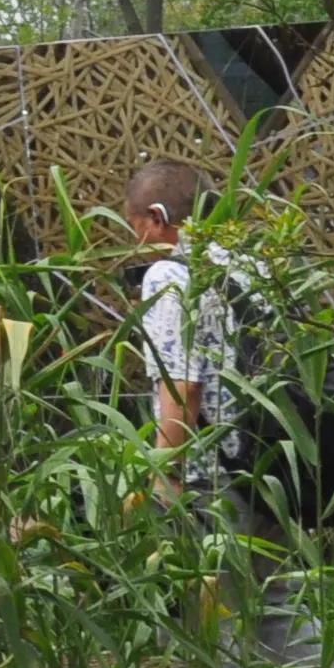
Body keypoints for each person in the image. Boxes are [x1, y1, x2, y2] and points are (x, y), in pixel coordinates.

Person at [129, 158, 254, 488]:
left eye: (136, 229)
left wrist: (165, 481)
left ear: (157, 217)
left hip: (219, 479)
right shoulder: (249, 262)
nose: (138, 246)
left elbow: (183, 387)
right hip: (275, 468)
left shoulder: (167, 276)